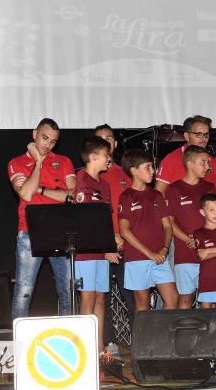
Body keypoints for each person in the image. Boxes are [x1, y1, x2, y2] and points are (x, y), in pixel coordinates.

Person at [8, 118, 76, 319]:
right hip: (30, 231)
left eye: (53, 141)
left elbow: (73, 195)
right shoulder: (16, 162)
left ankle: (69, 335)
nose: (48, 144)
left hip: (61, 232)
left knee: (68, 291)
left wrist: (41, 189)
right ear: (34, 134)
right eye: (44, 138)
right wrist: (38, 162)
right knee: (24, 291)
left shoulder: (63, 161)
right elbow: (26, 194)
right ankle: (19, 338)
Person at [73, 136, 121, 353]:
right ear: (93, 157)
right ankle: (85, 348)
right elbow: (84, 220)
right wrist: (105, 246)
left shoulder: (105, 185)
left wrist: (111, 242)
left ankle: (99, 348)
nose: (109, 159)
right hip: (86, 251)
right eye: (105, 155)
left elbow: (104, 220)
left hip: (102, 250)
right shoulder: (81, 180)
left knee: (101, 297)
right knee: (88, 297)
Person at [118, 149, 178, 312]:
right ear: (134, 170)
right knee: (142, 304)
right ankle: (142, 331)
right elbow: (124, 231)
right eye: (148, 167)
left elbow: (167, 226)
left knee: (172, 298)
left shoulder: (157, 195)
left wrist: (165, 249)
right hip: (137, 258)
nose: (153, 171)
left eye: (153, 167)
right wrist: (150, 254)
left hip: (160, 257)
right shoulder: (126, 196)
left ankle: (162, 330)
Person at [94, 124, 135, 356]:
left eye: (109, 138)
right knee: (102, 296)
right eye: (100, 139)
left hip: (126, 244)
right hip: (100, 245)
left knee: (133, 293)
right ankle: (108, 342)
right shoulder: (89, 174)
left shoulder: (126, 173)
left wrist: (124, 236)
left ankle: (140, 342)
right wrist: (108, 238)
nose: (105, 142)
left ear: (115, 143)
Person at [165, 145, 216, 309]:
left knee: (210, 297)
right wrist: (189, 239)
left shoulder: (209, 188)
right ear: (189, 164)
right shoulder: (174, 189)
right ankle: (183, 327)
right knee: (186, 296)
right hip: (185, 252)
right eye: (203, 162)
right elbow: (170, 222)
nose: (207, 167)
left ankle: (210, 326)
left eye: (208, 163)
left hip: (209, 250)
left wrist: (205, 239)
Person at [154, 115, 216, 193]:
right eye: (199, 134)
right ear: (187, 136)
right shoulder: (172, 159)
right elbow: (159, 193)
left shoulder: (212, 162)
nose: (203, 139)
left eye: (206, 135)